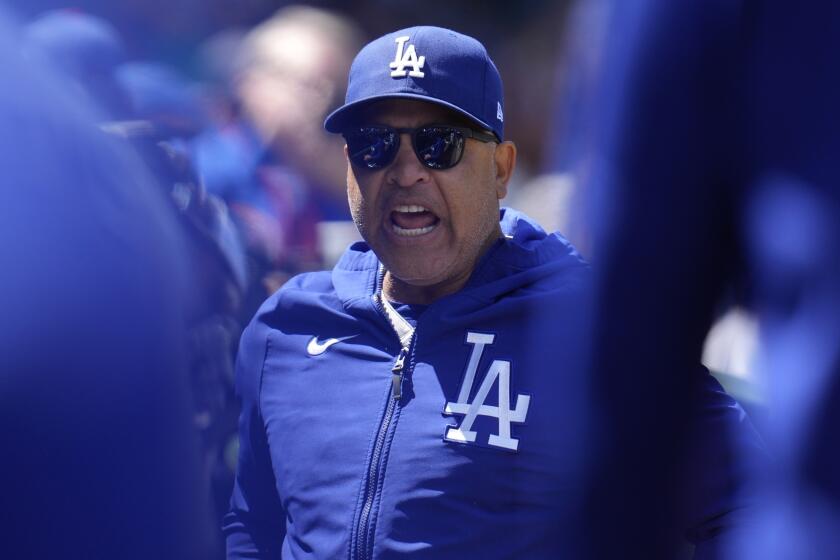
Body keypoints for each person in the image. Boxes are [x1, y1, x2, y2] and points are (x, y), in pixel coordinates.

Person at [224, 26, 764, 559]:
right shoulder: (288, 328)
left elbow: (752, 504)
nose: (406, 171)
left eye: (441, 145)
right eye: (375, 145)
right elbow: (254, 523)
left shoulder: (583, 332)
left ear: (501, 169)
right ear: (348, 168)